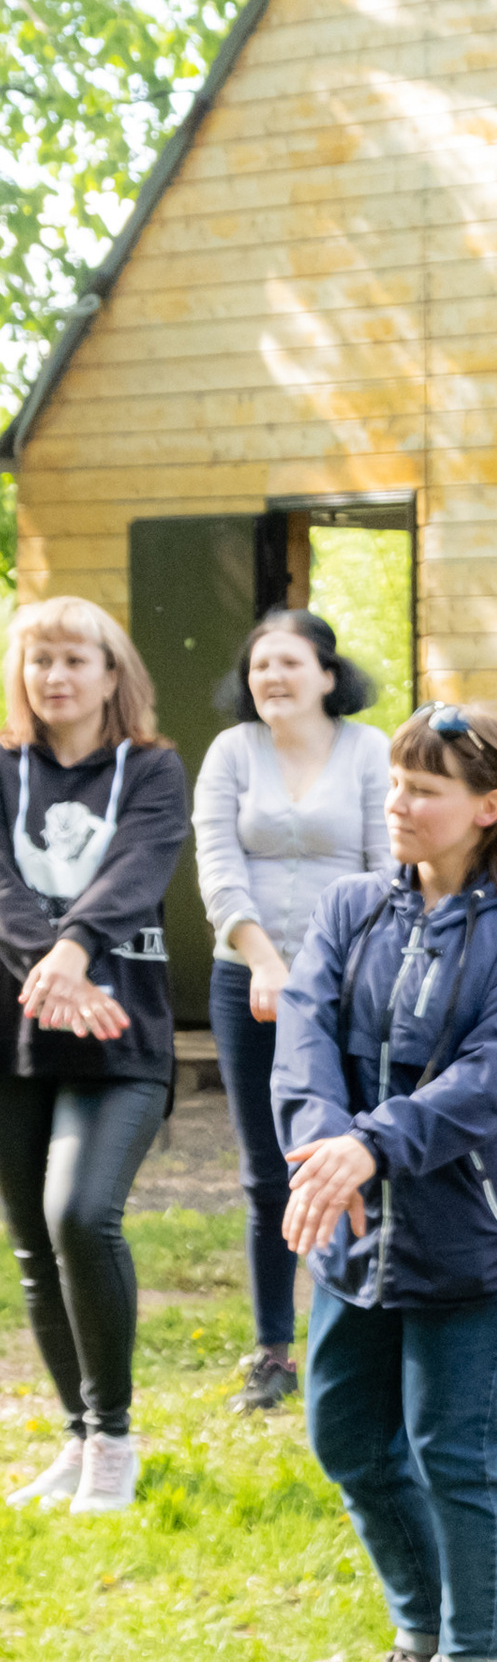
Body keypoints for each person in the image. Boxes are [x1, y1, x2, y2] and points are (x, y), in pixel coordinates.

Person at [274, 705, 497, 1662]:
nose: (398, 801)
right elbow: (304, 1032)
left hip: (475, 1235)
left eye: (425, 788)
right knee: (347, 1432)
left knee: (455, 1447)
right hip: (355, 1222)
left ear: (489, 808)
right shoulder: (354, 905)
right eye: (395, 782)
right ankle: (422, 1643)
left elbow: (491, 1079)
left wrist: (376, 1143)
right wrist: (325, 1143)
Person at [0, 598, 190, 1517]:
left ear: (112, 674)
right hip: (16, 1034)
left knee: (80, 1214)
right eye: (40, 660)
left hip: (122, 1035)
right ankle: (77, 1439)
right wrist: (53, 963)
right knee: (36, 1245)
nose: (56, 677)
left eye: (75, 659)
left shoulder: (153, 769)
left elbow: (138, 870)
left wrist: (73, 954)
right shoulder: (1, 768)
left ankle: (114, 1436)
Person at [194, 611, 392, 1417]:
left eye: (287, 663)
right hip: (250, 982)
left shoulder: (371, 752)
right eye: (258, 667)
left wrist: (321, 976)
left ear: (326, 673)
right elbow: (218, 868)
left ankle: (368, 1325)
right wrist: (270, 965)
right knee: (267, 1171)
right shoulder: (231, 754)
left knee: (353, 1154)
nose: (270, 678)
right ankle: (273, 1351)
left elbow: (389, 865)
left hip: (355, 985)